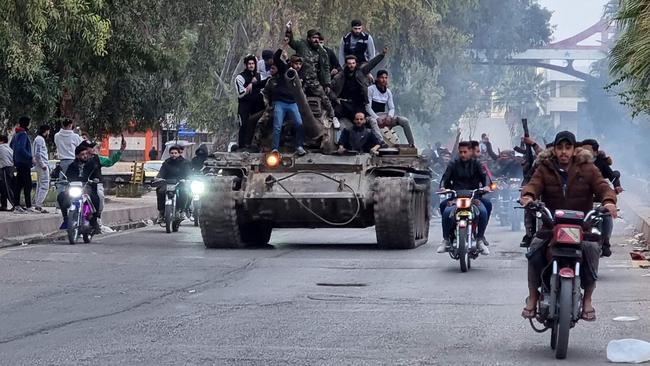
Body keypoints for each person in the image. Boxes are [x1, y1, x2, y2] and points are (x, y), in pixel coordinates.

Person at [519, 131, 617, 321]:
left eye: (567, 147)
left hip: (583, 228)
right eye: (559, 147)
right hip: (550, 226)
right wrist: (529, 197)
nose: (563, 152)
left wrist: (609, 201)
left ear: (574, 150)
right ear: (554, 150)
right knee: (534, 250)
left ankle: (588, 299)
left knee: (591, 250)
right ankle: (532, 297)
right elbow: (534, 184)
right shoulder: (544, 168)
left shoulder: (588, 168)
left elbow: (603, 186)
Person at [437, 141, 490, 255]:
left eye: (465, 152)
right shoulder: (453, 164)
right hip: (456, 198)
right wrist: (442, 188)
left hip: (474, 198)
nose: (463, 154)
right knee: (446, 211)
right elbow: (445, 179)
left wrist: (486, 187)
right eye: (460, 152)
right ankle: (446, 239)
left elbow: (484, 178)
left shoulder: (477, 164)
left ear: (471, 151)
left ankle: (480, 239)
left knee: (484, 211)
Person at [285, 24, 338, 128]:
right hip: (301, 79)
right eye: (314, 38)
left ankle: (333, 117)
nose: (316, 40)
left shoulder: (322, 51)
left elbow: (325, 68)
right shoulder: (301, 44)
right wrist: (288, 30)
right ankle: (290, 120)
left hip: (314, 80)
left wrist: (327, 83)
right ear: (308, 38)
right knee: (297, 99)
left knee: (325, 98)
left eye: (318, 38)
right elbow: (291, 41)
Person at [329, 49, 387, 142]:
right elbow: (330, 89)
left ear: (356, 64)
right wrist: (335, 98)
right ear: (346, 64)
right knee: (337, 112)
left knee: (361, 119)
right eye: (349, 63)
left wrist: (381, 55)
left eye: (353, 63)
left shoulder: (361, 72)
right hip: (345, 102)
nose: (351, 65)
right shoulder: (340, 76)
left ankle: (373, 140)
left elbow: (371, 64)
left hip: (359, 102)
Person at [580, 139, 622, 257]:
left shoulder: (600, 165)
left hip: (598, 200)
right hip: (581, 202)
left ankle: (605, 242)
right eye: (582, 150)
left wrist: (615, 190)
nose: (584, 153)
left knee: (607, 215)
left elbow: (609, 180)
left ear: (595, 153)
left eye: (587, 150)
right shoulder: (575, 164)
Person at [262, 49, 307, 156]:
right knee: (277, 126)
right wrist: (283, 46)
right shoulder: (284, 69)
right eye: (296, 63)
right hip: (280, 102)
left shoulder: (302, 74)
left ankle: (299, 146)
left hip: (293, 103)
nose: (298, 66)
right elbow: (276, 58)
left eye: (300, 64)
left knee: (299, 124)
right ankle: (275, 148)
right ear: (291, 63)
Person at [366, 70, 415, 147]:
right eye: (382, 78)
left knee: (404, 120)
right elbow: (368, 107)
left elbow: (391, 108)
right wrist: (377, 118)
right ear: (377, 78)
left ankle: (411, 144)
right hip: (372, 116)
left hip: (384, 116)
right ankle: (381, 142)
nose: (384, 80)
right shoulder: (370, 89)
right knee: (373, 121)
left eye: (385, 78)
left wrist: (389, 116)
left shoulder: (388, 92)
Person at [57, 145, 101, 231]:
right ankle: (66, 218)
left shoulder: (92, 164)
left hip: (87, 187)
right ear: (77, 156)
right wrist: (61, 179)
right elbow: (67, 177)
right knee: (61, 196)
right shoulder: (72, 166)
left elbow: (96, 174)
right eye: (82, 154)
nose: (85, 156)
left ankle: (94, 220)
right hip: (74, 188)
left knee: (96, 198)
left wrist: (96, 179)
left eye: (86, 154)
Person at [235, 54, 265, 149]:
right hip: (244, 105)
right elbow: (240, 93)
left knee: (258, 124)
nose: (251, 65)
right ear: (246, 65)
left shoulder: (260, 76)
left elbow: (266, 85)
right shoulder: (240, 77)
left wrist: (254, 83)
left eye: (253, 63)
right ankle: (242, 146)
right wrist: (251, 84)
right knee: (243, 124)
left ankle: (255, 144)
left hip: (257, 105)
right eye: (249, 64)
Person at [156, 145, 192, 222]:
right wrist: (158, 178)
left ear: (179, 154)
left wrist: (187, 179)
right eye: (172, 153)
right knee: (160, 191)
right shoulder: (166, 163)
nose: (173, 155)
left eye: (175, 153)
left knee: (185, 192)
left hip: (180, 183)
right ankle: (161, 212)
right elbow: (161, 172)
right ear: (169, 154)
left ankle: (182, 210)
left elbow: (188, 173)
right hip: (168, 183)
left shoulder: (185, 163)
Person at [10, 116, 33, 212]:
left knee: (18, 185)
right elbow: (21, 148)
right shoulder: (23, 134)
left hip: (18, 162)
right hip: (24, 163)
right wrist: (30, 157)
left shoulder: (16, 134)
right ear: (27, 124)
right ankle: (28, 206)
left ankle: (16, 205)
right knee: (28, 184)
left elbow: (11, 146)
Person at [32, 125, 51, 213]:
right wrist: (43, 164)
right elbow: (38, 153)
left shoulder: (38, 139)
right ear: (46, 131)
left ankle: (37, 204)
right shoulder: (40, 139)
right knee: (44, 185)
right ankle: (39, 205)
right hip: (42, 165)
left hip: (40, 164)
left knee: (40, 185)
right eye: (48, 131)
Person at [0, 135, 17, 212]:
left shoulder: (1, 147)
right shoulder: (9, 148)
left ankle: (15, 205)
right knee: (3, 187)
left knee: (7, 188)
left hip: (5, 169)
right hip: (11, 168)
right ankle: (4, 205)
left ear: (2, 141)